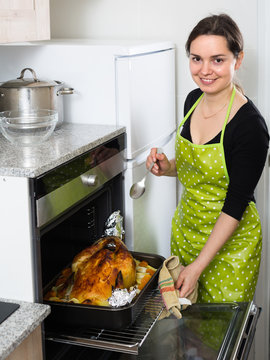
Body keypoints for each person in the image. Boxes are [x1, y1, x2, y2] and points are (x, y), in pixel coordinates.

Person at [147, 13, 269, 303]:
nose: (205, 70)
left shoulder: (250, 126)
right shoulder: (192, 100)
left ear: (237, 60)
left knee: (218, 339)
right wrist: (168, 168)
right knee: (187, 336)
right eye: (196, 58)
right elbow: (199, 170)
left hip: (230, 251)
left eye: (217, 59)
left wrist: (198, 267)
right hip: (187, 233)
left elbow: (236, 203)